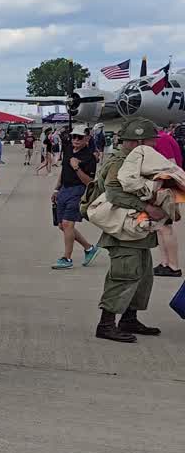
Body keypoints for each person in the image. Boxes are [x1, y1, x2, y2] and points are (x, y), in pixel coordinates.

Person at [93, 117, 165, 343]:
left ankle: (129, 319)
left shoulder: (136, 160)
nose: (155, 147)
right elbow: (114, 193)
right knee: (123, 277)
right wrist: (146, 207)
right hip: (124, 233)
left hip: (137, 233)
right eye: (152, 143)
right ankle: (106, 325)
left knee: (142, 277)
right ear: (138, 141)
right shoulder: (121, 162)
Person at [51, 125, 100, 270]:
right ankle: (89, 248)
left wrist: (77, 168)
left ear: (87, 139)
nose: (76, 140)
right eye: (74, 137)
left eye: (80, 137)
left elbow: (89, 182)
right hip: (64, 189)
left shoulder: (89, 157)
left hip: (78, 191)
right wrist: (56, 189)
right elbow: (63, 171)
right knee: (62, 225)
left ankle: (67, 258)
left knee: (67, 224)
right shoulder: (68, 150)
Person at [153, 127, 183, 277]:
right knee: (161, 228)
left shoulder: (161, 140)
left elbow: (170, 166)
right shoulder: (162, 138)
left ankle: (173, 265)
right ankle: (166, 263)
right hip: (166, 189)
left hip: (166, 190)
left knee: (165, 228)